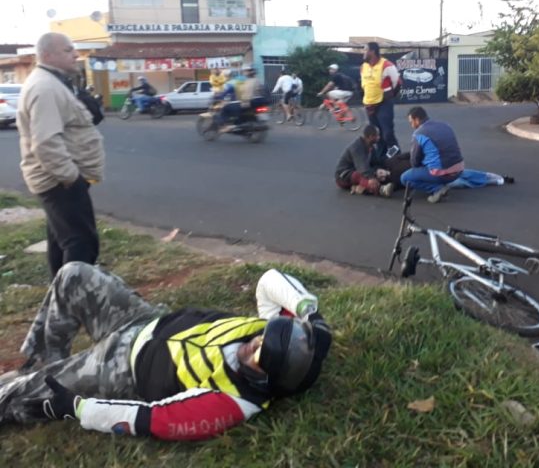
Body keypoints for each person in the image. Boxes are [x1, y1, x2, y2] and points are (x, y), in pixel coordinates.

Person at [0, 262, 332, 440]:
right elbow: (270, 281)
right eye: (266, 336)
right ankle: (44, 359)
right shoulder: (275, 334)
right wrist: (310, 315)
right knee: (73, 275)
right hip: (143, 319)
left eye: (262, 356)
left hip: (120, 368)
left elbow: (152, 420)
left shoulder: (235, 402)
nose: (256, 345)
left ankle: (31, 382)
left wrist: (78, 407)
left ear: (267, 383)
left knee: (18, 393)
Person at [16, 32, 105, 279]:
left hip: (60, 179)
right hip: (59, 181)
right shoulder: (45, 87)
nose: (75, 54)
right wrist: (71, 178)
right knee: (81, 243)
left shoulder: (54, 82)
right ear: (48, 55)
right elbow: (46, 142)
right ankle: (74, 307)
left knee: (61, 241)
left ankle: (61, 302)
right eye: (68, 50)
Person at [400, 106, 465, 203]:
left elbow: (414, 162)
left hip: (442, 174)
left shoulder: (418, 134)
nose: (411, 125)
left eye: (411, 122)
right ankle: (441, 183)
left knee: (405, 178)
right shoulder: (445, 125)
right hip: (459, 170)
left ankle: (436, 189)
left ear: (416, 120)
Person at [361, 42, 400, 158]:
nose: (363, 52)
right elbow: (364, 85)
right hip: (369, 105)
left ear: (372, 51)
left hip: (384, 104)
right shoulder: (363, 67)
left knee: (387, 134)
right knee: (376, 135)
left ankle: (396, 155)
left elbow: (397, 83)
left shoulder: (387, 65)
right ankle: (382, 158)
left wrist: (389, 97)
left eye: (365, 50)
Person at [335, 125, 395, 197]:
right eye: (377, 135)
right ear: (370, 137)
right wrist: (372, 177)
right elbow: (363, 169)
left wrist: (379, 171)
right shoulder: (357, 148)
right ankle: (381, 190)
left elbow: (375, 163)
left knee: (378, 174)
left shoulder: (371, 147)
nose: (379, 137)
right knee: (359, 175)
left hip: (358, 171)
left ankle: (358, 188)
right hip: (343, 176)